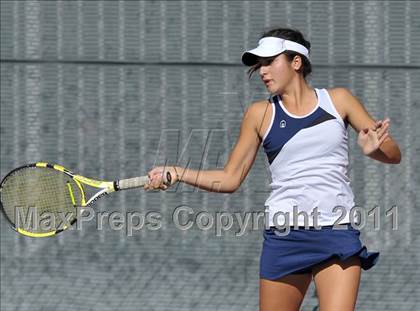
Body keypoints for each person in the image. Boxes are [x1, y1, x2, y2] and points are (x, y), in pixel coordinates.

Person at [144, 28, 401, 311]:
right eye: (259, 65)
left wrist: (374, 148)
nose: (263, 71)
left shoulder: (339, 100)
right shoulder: (259, 114)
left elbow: (393, 155)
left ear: (296, 62)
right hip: (284, 237)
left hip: (336, 231)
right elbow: (230, 179)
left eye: (269, 61)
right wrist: (178, 172)